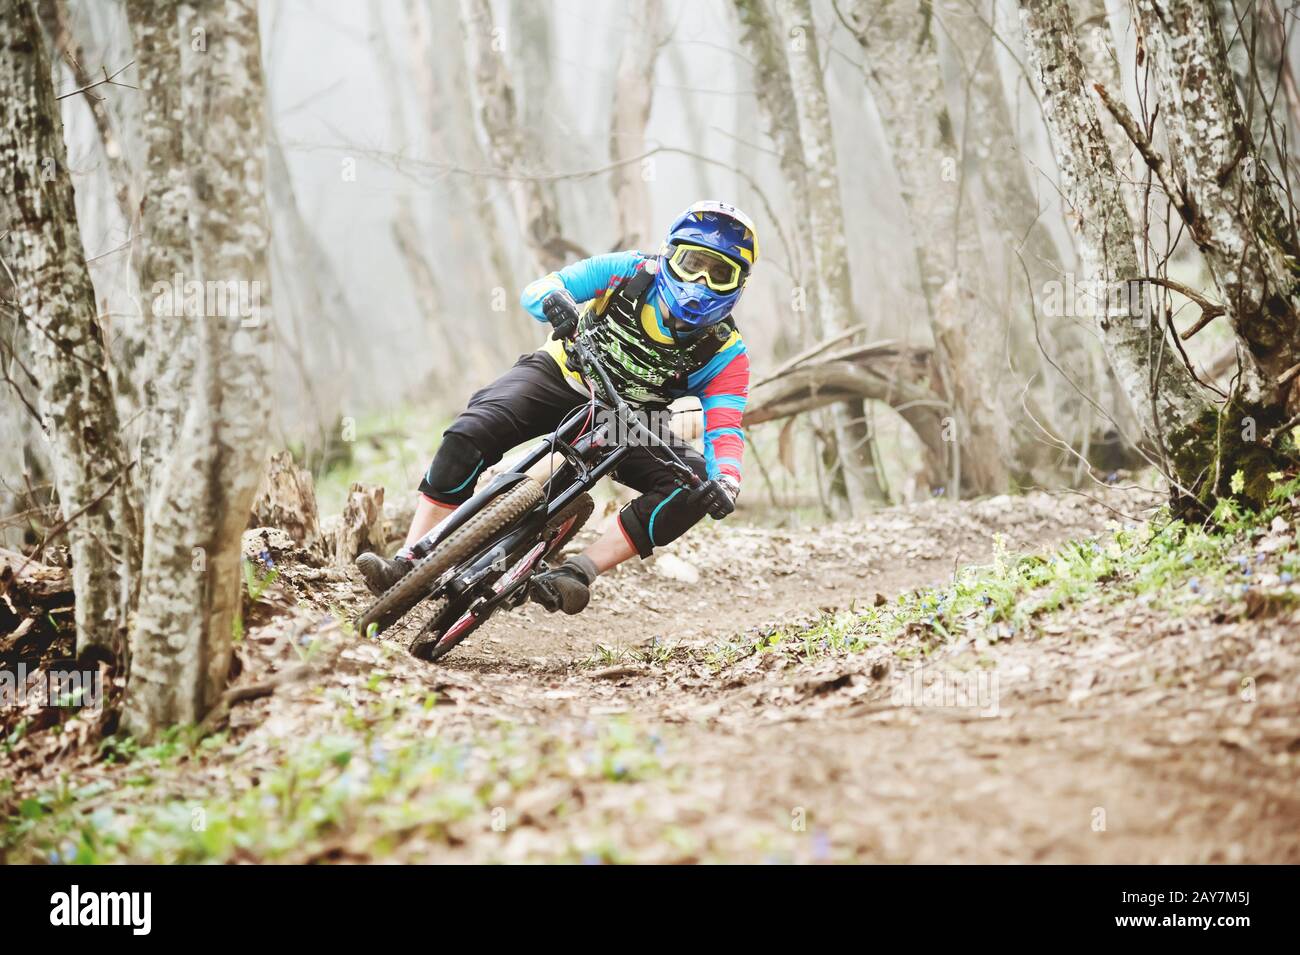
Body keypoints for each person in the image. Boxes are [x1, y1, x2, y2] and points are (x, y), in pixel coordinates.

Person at [355, 200, 756, 615]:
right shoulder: (630, 271)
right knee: (469, 432)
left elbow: (724, 429)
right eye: (692, 263)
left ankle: (579, 571)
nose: (702, 280)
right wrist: (554, 301)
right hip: (561, 376)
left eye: (720, 273)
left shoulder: (727, 352)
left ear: (739, 284)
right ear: (669, 254)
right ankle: (410, 560)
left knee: (691, 488)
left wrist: (725, 480)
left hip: (628, 421)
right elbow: (543, 287)